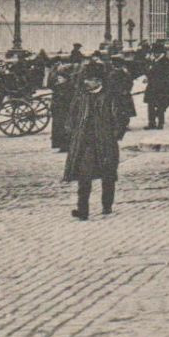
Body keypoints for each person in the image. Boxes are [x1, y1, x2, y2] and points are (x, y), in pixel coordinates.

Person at [63, 57, 120, 221]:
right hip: (85, 143)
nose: (87, 83)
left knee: (108, 175)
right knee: (84, 177)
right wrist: (72, 131)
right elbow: (71, 116)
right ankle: (83, 210)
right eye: (86, 79)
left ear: (98, 81)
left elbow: (118, 118)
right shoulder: (81, 97)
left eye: (90, 80)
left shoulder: (109, 97)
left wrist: (113, 134)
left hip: (105, 141)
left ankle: (107, 205)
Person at [144, 48, 169, 129]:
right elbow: (149, 72)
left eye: (157, 52)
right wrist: (148, 78)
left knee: (161, 105)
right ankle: (151, 123)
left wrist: (168, 84)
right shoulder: (153, 61)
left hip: (163, 87)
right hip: (152, 87)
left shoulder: (164, 61)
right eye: (154, 52)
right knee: (151, 105)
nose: (155, 54)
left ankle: (160, 123)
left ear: (161, 53)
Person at [48, 53, 77, 151]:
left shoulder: (68, 87)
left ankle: (66, 146)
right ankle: (61, 145)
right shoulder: (58, 86)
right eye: (58, 78)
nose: (58, 79)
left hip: (64, 111)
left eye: (60, 78)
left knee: (65, 128)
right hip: (58, 111)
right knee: (58, 129)